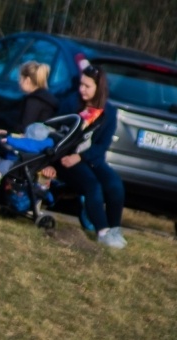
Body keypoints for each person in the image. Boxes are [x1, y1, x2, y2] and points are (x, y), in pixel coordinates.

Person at [42, 64, 126, 248]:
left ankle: (114, 230)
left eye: (87, 86)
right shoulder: (71, 105)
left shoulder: (109, 112)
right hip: (66, 159)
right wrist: (57, 161)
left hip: (90, 159)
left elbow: (101, 146)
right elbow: (56, 135)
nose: (82, 90)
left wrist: (82, 157)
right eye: (81, 84)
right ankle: (102, 232)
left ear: (99, 88)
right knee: (92, 186)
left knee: (114, 185)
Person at [0, 61, 58, 141]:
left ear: (27, 80)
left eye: (20, 78)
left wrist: (4, 132)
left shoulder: (34, 101)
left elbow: (24, 131)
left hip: (28, 145)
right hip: (39, 144)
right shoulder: (46, 99)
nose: (19, 82)